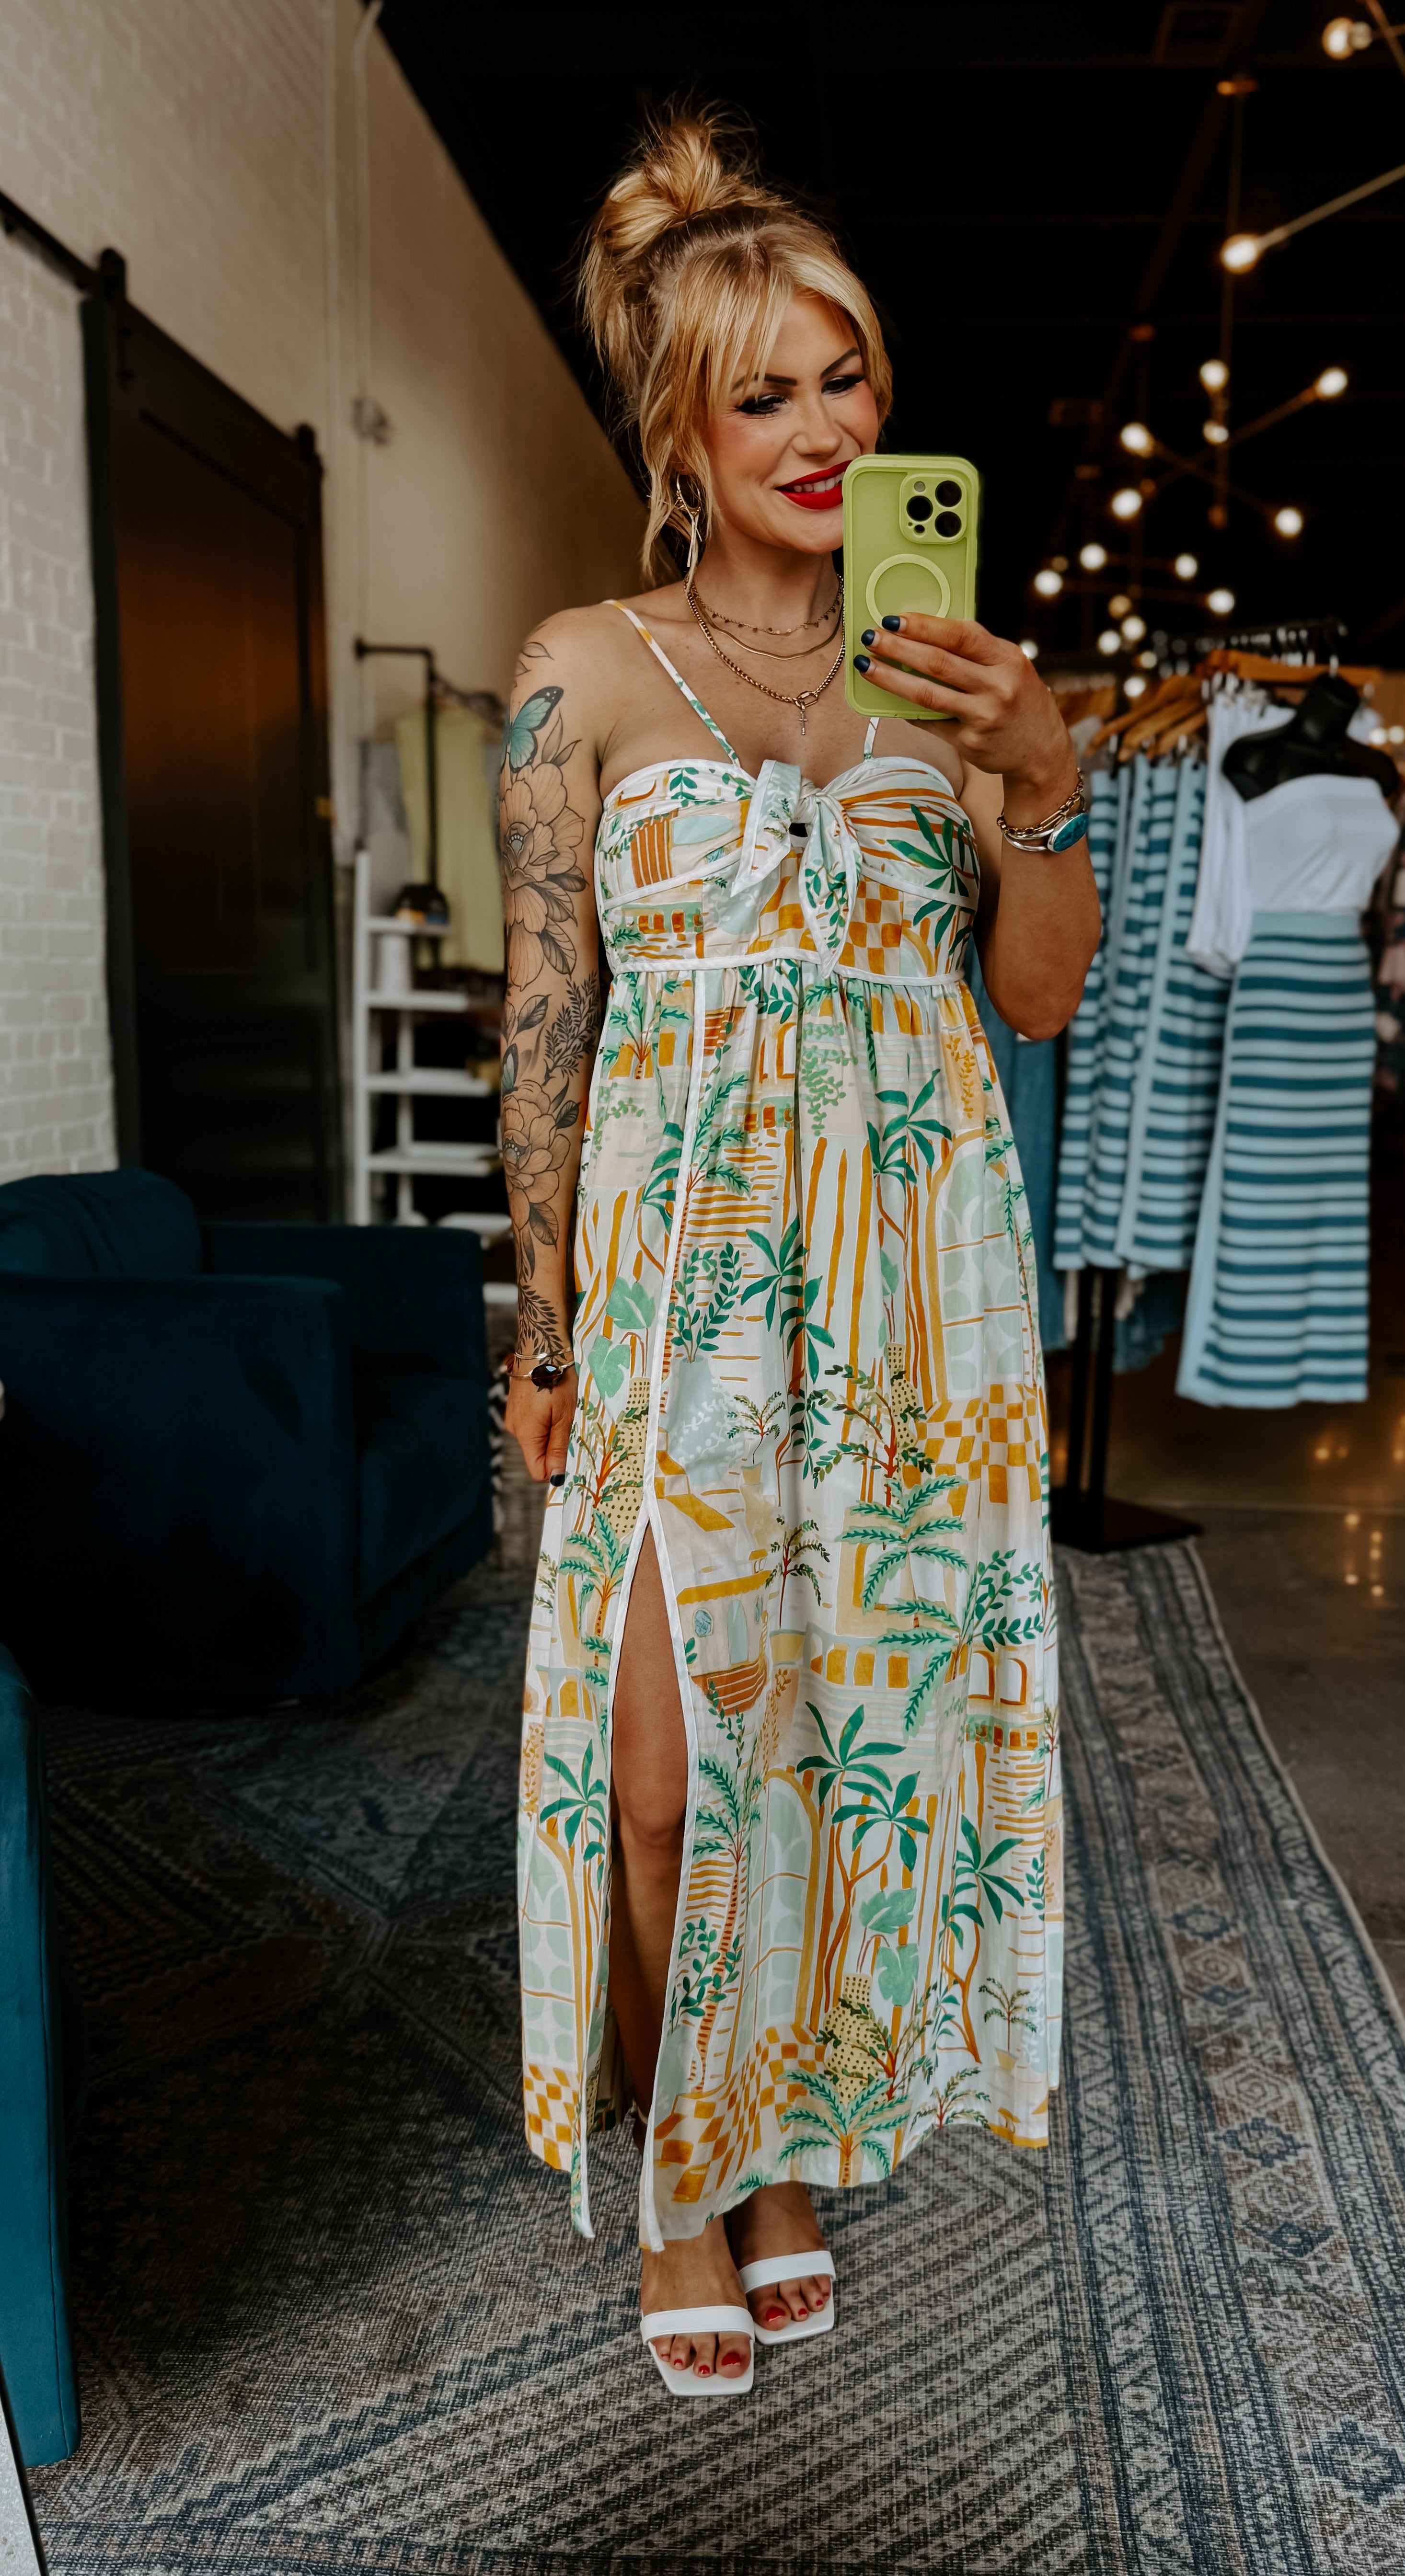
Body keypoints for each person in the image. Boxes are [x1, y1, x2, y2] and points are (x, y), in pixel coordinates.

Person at [503, 107, 1099, 2398]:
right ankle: (680, 2159)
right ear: (680, 431)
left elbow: (1032, 997)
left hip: (908, 1300)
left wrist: (1040, 774)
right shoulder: (583, 668)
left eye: (846, 375)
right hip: (674, 1296)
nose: (824, 428)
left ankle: (769, 2161)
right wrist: (543, 1327)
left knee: (850, 1748)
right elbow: (548, 1027)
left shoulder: (952, 679)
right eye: (764, 393)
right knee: (663, 1776)